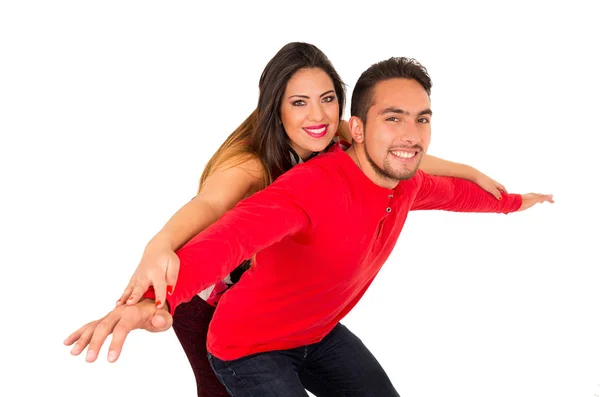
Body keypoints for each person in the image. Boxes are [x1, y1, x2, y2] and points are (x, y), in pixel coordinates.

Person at [66, 49, 551, 396]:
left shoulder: (391, 170)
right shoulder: (280, 178)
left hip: (311, 328)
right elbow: (225, 232)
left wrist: (508, 200)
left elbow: (445, 186)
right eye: (394, 118)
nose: (409, 134)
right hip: (236, 330)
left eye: (422, 119)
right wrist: (154, 287)